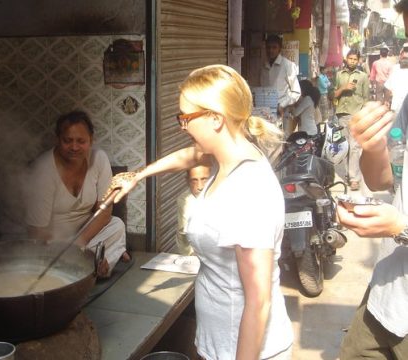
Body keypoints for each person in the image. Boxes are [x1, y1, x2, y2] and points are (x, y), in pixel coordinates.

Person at [111, 65, 293, 359]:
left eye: (185, 117)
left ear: (216, 119)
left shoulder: (249, 191)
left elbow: (259, 302)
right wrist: (137, 175)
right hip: (217, 340)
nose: (182, 126)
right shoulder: (228, 154)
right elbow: (189, 156)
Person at [336, 5, 408, 357]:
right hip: (389, 299)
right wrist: (374, 146)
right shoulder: (405, 94)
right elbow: (385, 180)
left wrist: (401, 227)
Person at [24, 110, 129, 278]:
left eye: (81, 141)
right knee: (49, 254)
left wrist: (79, 244)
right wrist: (65, 248)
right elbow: (36, 232)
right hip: (55, 241)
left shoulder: (99, 159)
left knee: (116, 225)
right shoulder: (43, 170)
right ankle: (97, 264)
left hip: (85, 236)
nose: (74, 147)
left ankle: (88, 266)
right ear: (57, 139)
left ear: (91, 140)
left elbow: (104, 212)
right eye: (67, 141)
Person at [334, 49, 370, 191]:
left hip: (356, 114)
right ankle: (349, 175)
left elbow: (366, 98)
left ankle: (354, 178)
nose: (353, 61)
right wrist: (344, 88)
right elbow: (333, 95)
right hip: (342, 115)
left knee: (355, 146)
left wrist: (364, 115)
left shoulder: (363, 76)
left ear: (359, 60)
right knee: (345, 147)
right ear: (346, 59)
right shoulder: (339, 75)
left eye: (355, 59)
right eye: (350, 59)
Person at [260, 34, 301, 136]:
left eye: (274, 47)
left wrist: (282, 104)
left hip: (282, 112)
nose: (271, 50)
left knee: (282, 141)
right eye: (268, 47)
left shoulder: (287, 65)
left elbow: (296, 92)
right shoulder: (263, 66)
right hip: (265, 113)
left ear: (279, 49)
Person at [176, 164, 211, 256]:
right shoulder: (185, 200)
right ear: (187, 181)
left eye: (204, 179)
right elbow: (184, 232)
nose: (200, 187)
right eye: (194, 180)